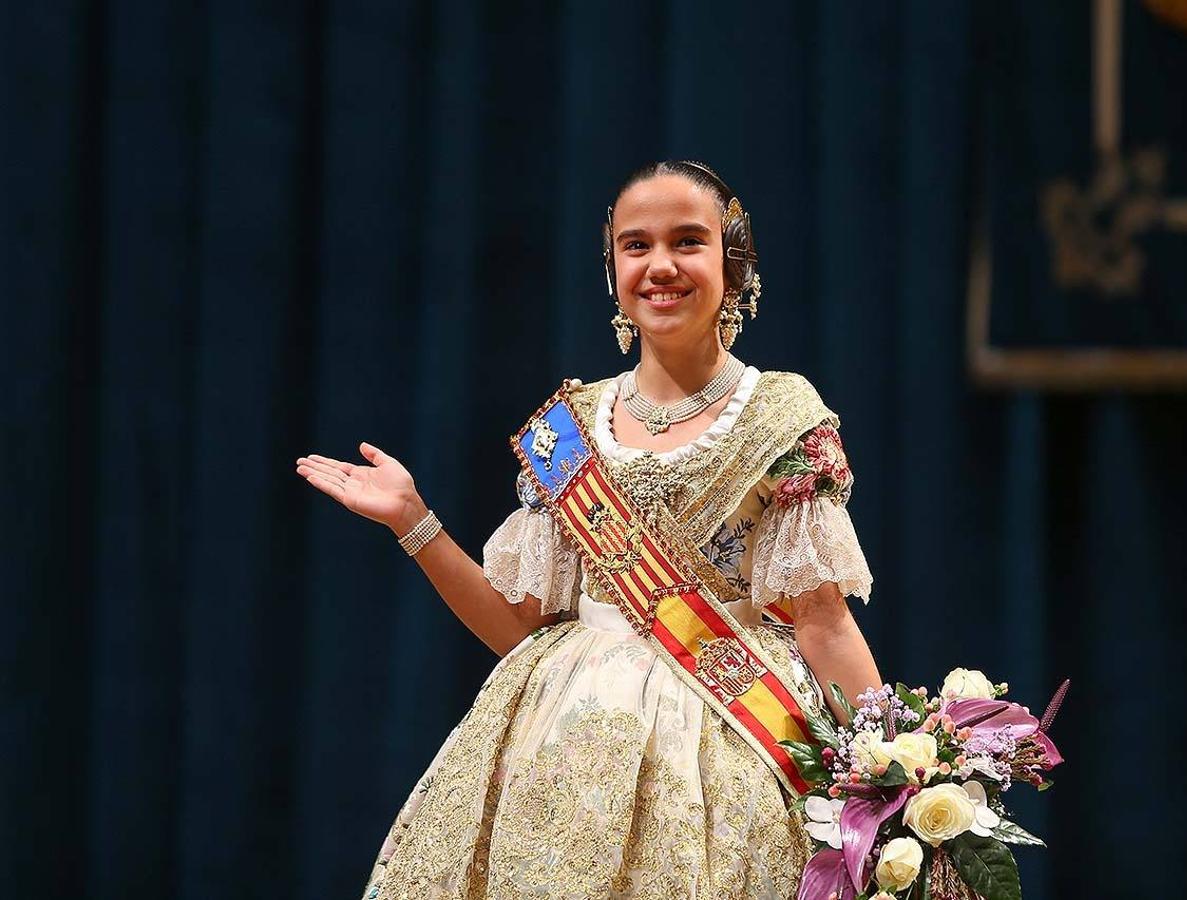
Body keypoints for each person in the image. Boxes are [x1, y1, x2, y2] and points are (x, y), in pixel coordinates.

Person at [296, 160, 883, 898]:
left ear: (732, 266)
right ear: (612, 269)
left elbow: (823, 625)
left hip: (734, 742)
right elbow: (519, 629)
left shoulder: (781, 416)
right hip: (561, 740)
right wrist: (414, 522)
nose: (660, 265)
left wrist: (899, 779)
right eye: (635, 245)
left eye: (687, 241)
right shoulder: (567, 429)